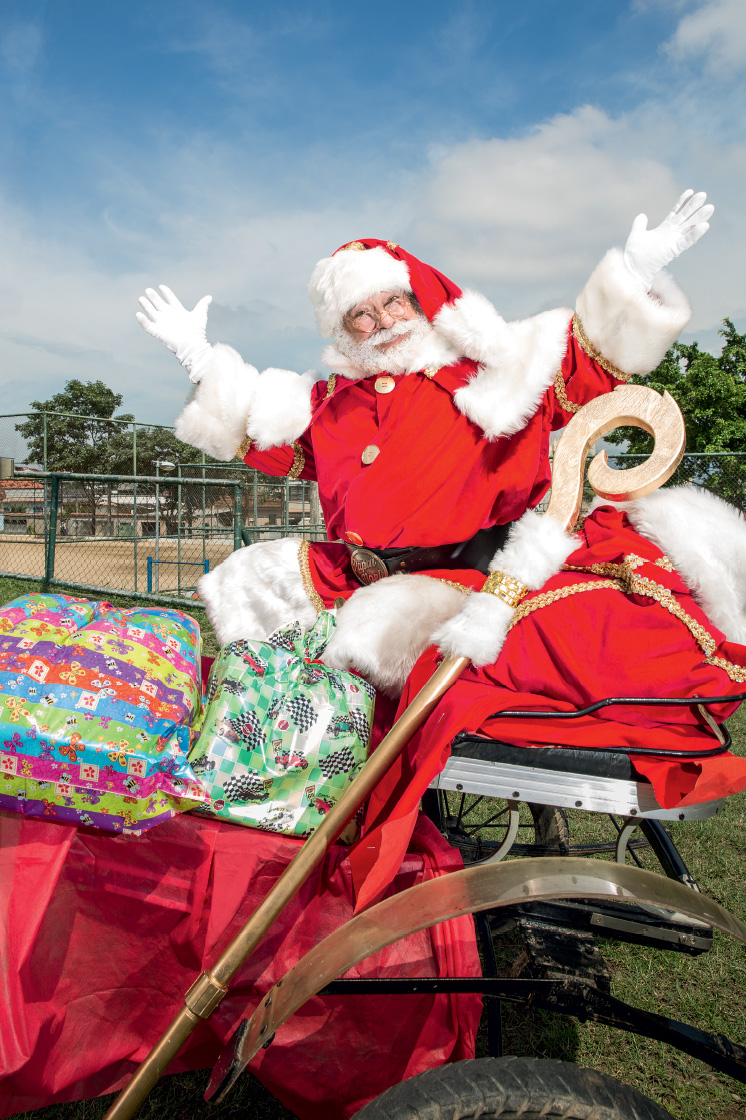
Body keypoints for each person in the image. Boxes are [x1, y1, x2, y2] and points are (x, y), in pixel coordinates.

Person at [136, 190, 714, 694]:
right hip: (358, 570)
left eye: (391, 302)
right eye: (360, 314)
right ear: (343, 330)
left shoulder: (482, 371)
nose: (382, 321)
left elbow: (583, 356)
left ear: (416, 301)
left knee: (370, 636)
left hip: (463, 575)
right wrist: (197, 357)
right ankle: (280, 752)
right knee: (250, 579)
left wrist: (634, 273)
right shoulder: (331, 400)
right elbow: (263, 434)